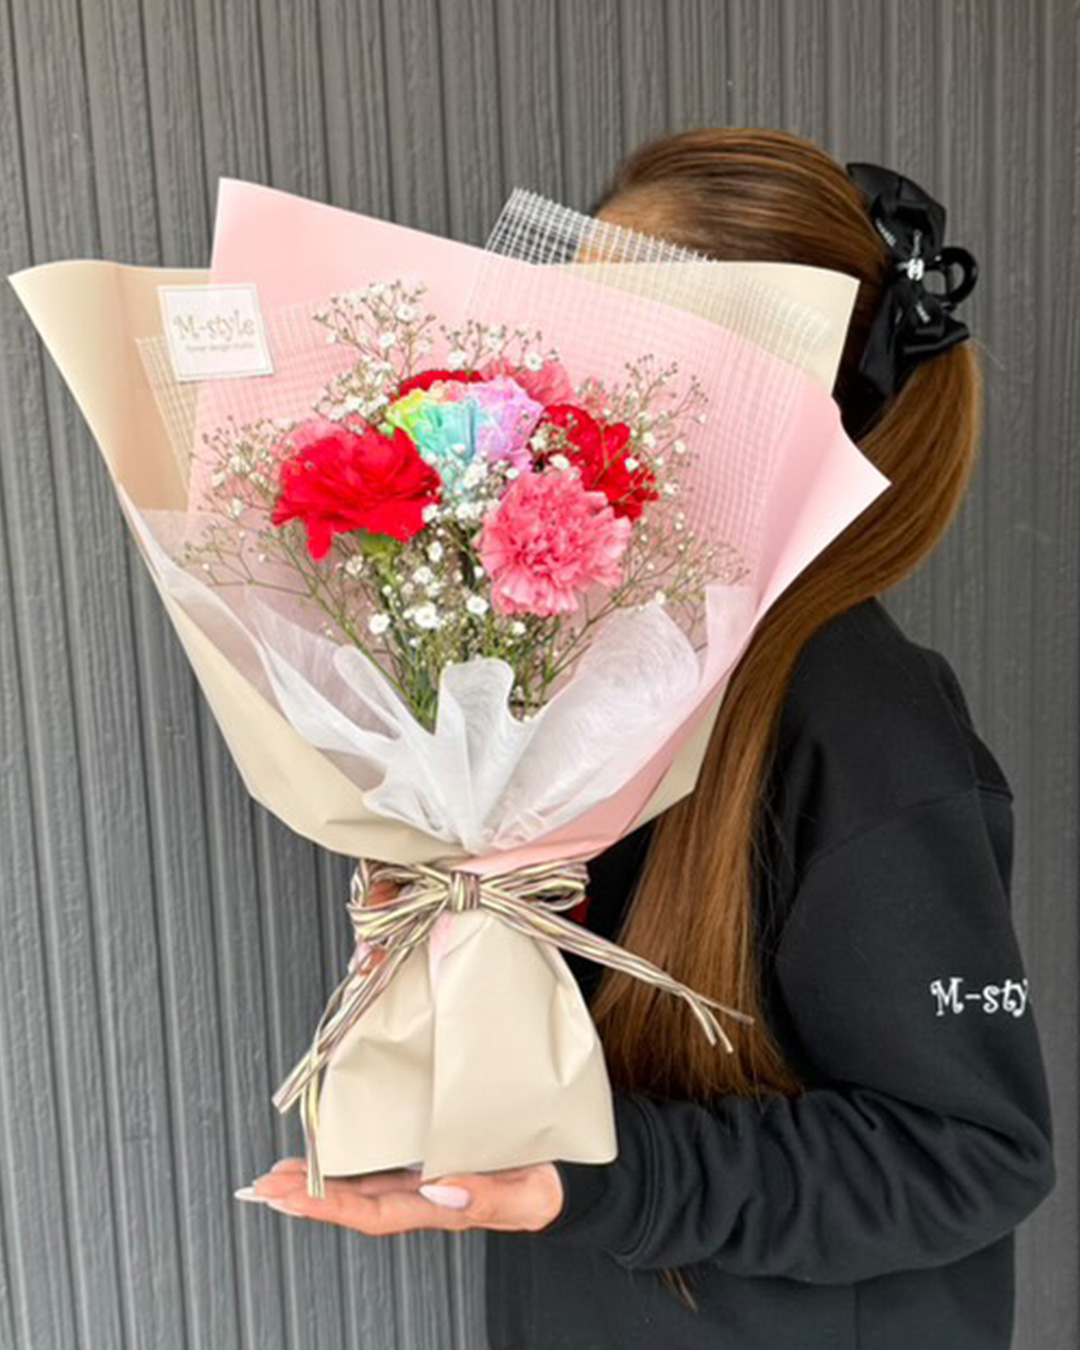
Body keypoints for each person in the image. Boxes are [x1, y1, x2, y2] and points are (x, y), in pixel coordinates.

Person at [246, 129, 1057, 1350]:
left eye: (634, 353)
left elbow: (973, 1155)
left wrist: (603, 1174)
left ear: (774, 398)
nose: (570, 390)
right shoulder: (589, 666)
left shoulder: (865, 721)